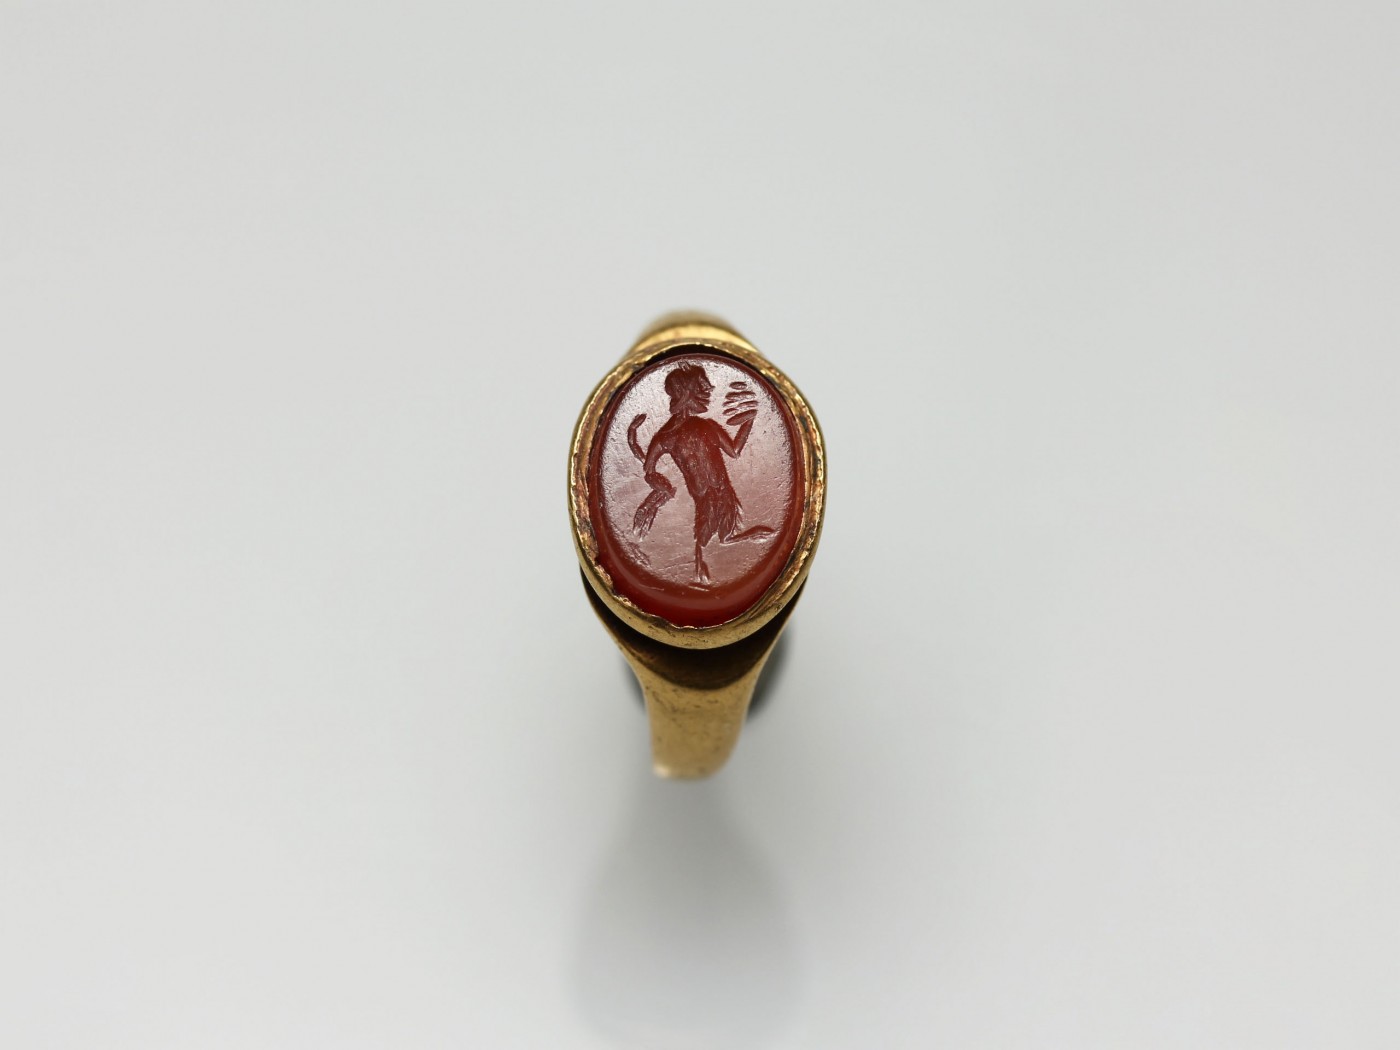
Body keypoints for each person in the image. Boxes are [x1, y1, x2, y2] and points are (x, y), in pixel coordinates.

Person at [628, 363, 774, 582]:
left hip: (720, 491)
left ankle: (707, 569)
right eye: (702, 389)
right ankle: (702, 573)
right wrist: (660, 490)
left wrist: (750, 419)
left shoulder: (685, 432)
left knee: (718, 535)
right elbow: (648, 468)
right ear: (687, 394)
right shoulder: (671, 436)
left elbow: (734, 451)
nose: (709, 392)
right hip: (706, 495)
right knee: (708, 537)